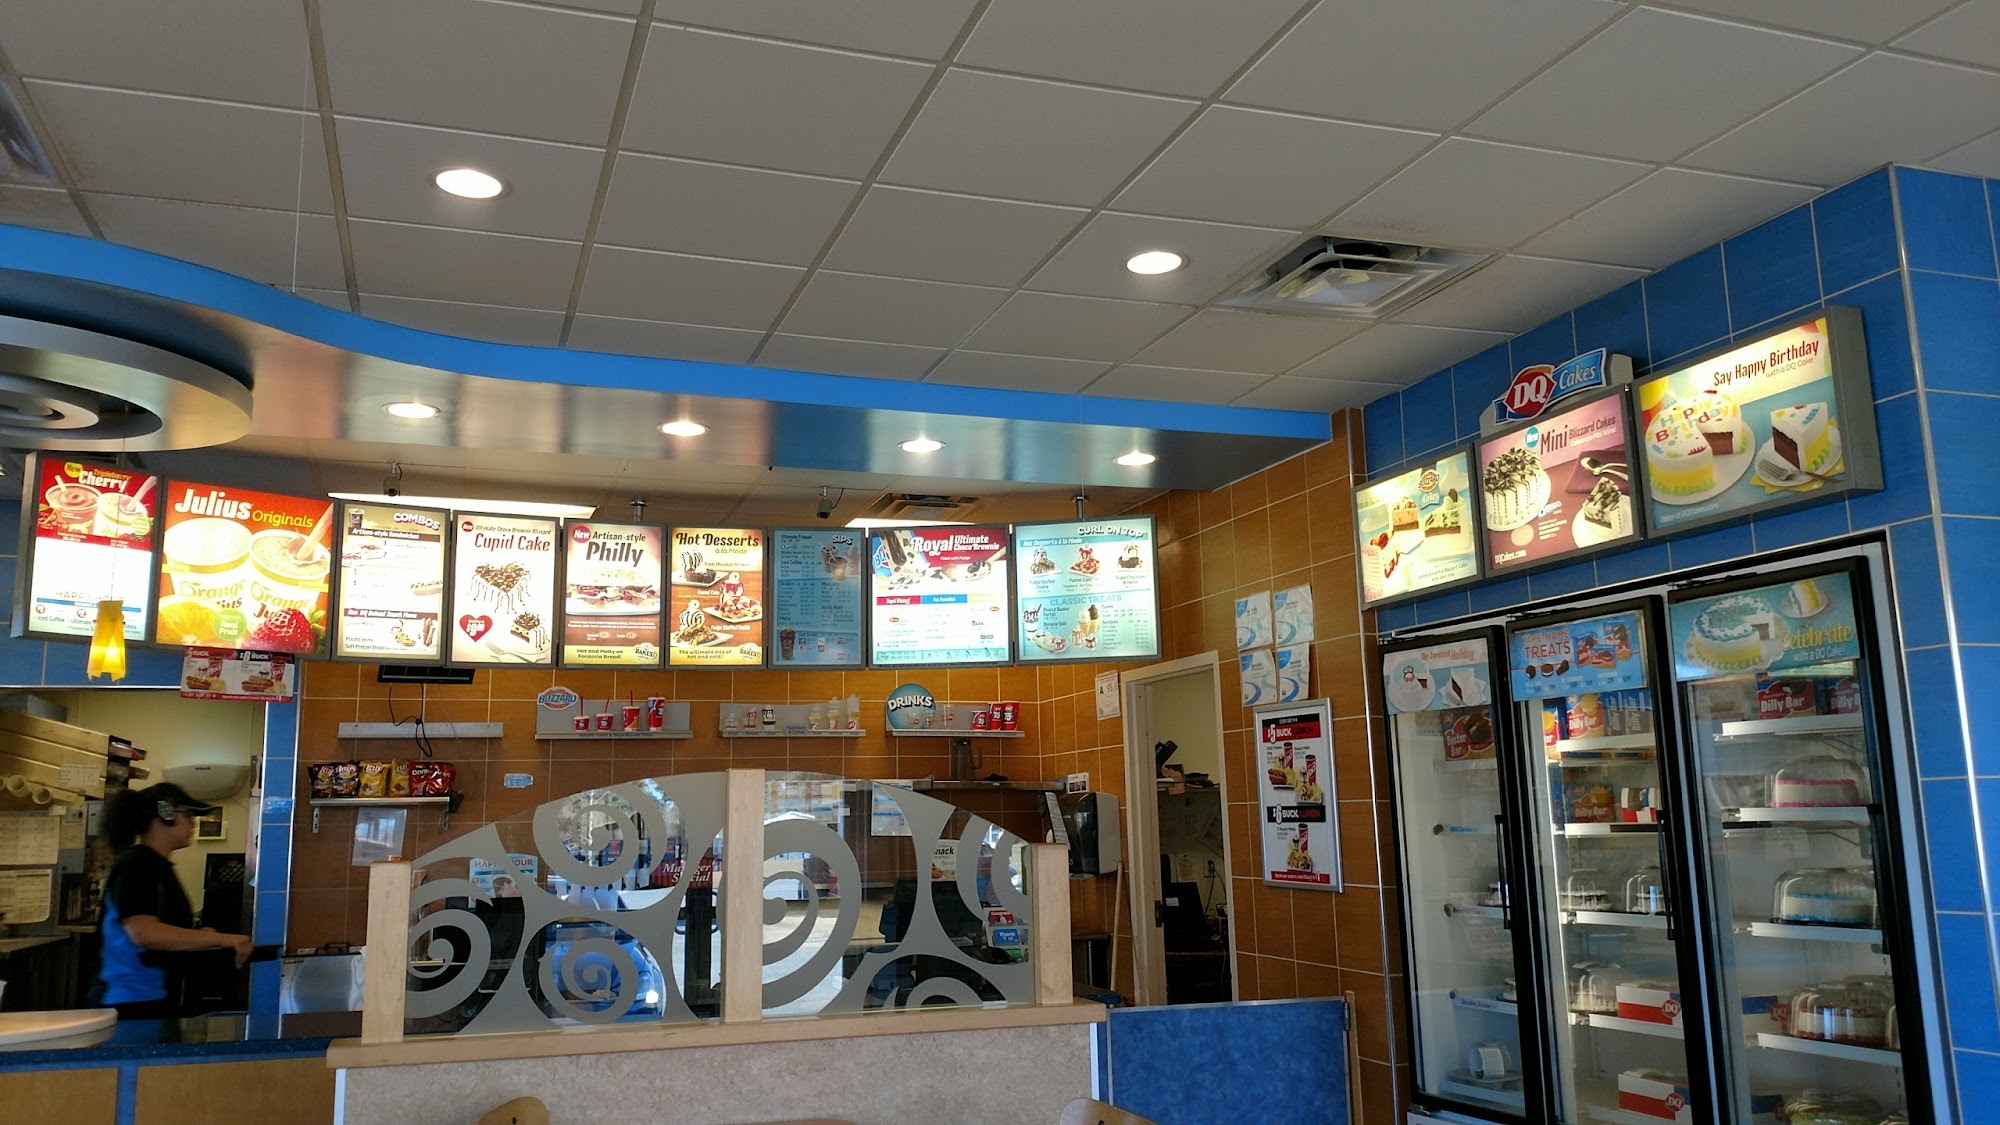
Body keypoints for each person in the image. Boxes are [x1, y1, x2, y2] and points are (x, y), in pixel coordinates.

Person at [97, 783, 253, 1019]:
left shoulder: (157, 866)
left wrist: (200, 937)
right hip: (129, 1003)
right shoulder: (137, 865)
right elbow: (142, 932)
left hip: (152, 998)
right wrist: (222, 939)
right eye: (187, 816)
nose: (193, 824)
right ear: (165, 814)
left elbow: (161, 928)